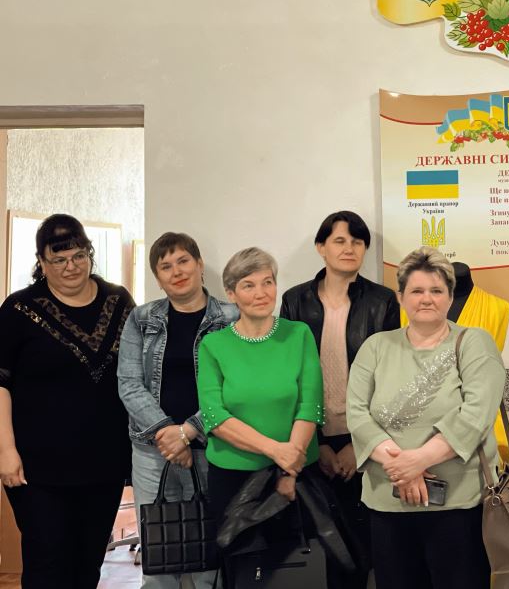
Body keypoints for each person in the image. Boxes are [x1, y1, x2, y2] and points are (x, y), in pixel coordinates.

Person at [346, 246, 506, 589]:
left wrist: (418, 460)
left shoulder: (474, 343)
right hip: (387, 503)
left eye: (436, 290)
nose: (427, 299)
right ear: (401, 297)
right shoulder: (376, 346)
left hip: (459, 506)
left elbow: (476, 415)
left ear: (450, 297)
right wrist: (402, 467)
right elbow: (356, 412)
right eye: (417, 291)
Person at [0, 214, 135, 589]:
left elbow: (137, 371)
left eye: (78, 255)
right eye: (58, 259)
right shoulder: (19, 309)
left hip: (104, 461)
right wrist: (5, 451)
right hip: (37, 467)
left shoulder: (119, 301)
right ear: (41, 263)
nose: (70, 266)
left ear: (89, 254)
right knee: (47, 563)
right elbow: (0, 383)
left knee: (88, 564)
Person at [280, 210, 399, 588]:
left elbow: (390, 379)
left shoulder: (383, 301)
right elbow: (289, 378)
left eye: (357, 241)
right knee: (320, 552)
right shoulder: (295, 300)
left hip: (365, 438)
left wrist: (358, 445)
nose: (350, 248)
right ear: (321, 247)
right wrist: (316, 445)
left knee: (365, 550)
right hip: (309, 437)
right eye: (340, 241)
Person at [117, 232, 238, 589]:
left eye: (183, 261)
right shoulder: (141, 318)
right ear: (157, 277)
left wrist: (190, 431)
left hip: (216, 447)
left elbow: (237, 387)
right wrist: (169, 434)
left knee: (210, 560)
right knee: (159, 558)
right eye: (165, 266)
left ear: (199, 265)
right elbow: (128, 383)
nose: (177, 271)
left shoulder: (232, 317)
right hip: (153, 452)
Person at [196, 247, 323, 534]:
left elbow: (310, 406)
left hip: (296, 477)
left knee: (298, 560)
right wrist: (277, 451)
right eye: (248, 285)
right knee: (239, 560)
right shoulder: (213, 345)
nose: (261, 293)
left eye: (268, 282)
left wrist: (289, 469)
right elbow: (215, 416)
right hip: (232, 480)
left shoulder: (299, 334)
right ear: (231, 294)